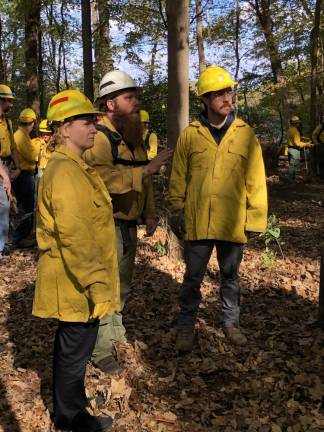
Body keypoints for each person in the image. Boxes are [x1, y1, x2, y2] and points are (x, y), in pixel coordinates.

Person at [33, 89, 120, 432]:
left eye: (95, 122)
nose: (94, 128)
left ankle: (71, 405)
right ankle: (71, 419)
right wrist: (97, 285)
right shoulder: (65, 172)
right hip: (75, 281)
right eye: (87, 122)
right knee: (75, 349)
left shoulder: (74, 167)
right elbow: (76, 237)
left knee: (74, 347)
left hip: (77, 278)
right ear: (65, 129)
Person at [167, 66, 268, 353]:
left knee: (230, 278)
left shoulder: (245, 134)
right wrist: (176, 209)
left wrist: (256, 217)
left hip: (232, 222)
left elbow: (256, 179)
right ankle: (186, 326)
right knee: (192, 278)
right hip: (198, 221)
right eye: (219, 94)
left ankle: (231, 324)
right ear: (205, 100)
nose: (227, 98)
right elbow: (178, 176)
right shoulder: (191, 135)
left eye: (228, 92)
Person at [84, 70, 172, 374]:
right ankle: (100, 348)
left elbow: (142, 179)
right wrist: (146, 171)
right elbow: (101, 180)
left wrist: (149, 212)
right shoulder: (99, 138)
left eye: (136, 97)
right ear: (110, 104)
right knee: (105, 285)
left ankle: (116, 333)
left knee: (122, 283)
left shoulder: (133, 136)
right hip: (106, 222)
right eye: (128, 97)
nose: (136, 103)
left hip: (128, 222)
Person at [13, 108, 39, 244]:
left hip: (23, 175)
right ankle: (21, 238)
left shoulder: (19, 134)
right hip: (24, 176)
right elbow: (32, 156)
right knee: (27, 207)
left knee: (25, 206)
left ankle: (22, 236)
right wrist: (38, 148)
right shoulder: (22, 136)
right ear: (33, 122)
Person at [0, 84, 20, 255]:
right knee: (4, 205)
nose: (12, 105)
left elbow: (13, 147)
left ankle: (4, 242)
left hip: (6, 165)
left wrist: (18, 167)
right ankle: (1, 245)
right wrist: (4, 176)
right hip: (0, 166)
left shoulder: (7, 122)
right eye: (9, 101)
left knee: (8, 204)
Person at [287, 115, 313, 183]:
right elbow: (297, 143)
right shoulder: (295, 131)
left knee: (292, 165)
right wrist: (306, 144)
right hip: (294, 149)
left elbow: (296, 138)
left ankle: (292, 180)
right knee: (293, 165)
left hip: (290, 148)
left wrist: (304, 139)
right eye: (298, 123)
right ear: (296, 123)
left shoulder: (290, 129)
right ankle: (290, 181)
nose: (299, 124)